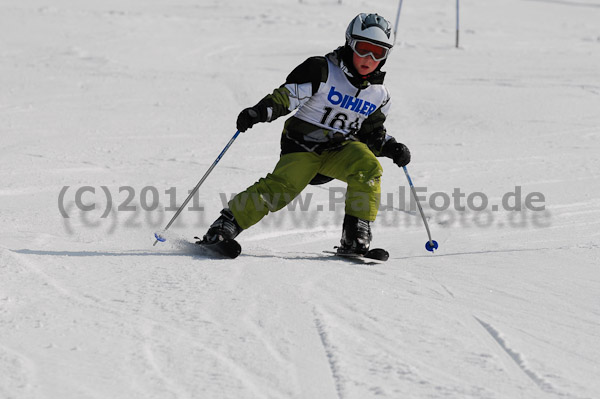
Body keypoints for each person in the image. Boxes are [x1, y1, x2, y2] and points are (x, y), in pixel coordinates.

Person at [200, 13, 411, 255]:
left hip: (340, 149)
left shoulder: (379, 95)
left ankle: (356, 235)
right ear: (349, 43)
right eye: (363, 48)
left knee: (368, 167)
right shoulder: (322, 70)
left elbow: (372, 134)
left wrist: (392, 147)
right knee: (282, 188)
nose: (369, 58)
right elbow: (286, 97)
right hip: (303, 146)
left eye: (378, 53)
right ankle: (225, 226)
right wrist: (259, 111)